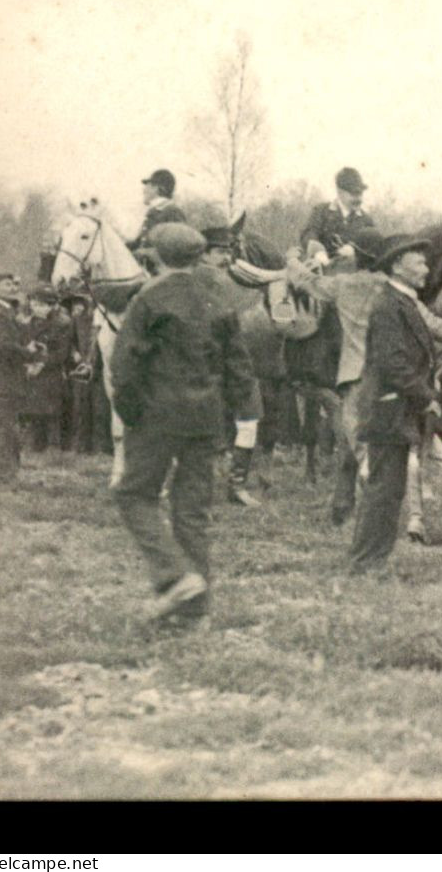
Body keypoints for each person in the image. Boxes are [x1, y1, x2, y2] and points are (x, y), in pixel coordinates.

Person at [107, 224, 259, 627]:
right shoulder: (217, 298)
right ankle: (195, 614)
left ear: (154, 255)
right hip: (205, 419)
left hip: (156, 416)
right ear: (197, 255)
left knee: (133, 495)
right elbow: (238, 366)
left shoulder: (148, 299)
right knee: (191, 511)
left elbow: (124, 365)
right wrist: (236, 414)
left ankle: (174, 576)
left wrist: (131, 412)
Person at [285, 227, 442, 531]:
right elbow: (433, 323)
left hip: (355, 378)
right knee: (397, 445)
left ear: (357, 256)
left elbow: (304, 282)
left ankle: (377, 521)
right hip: (391, 381)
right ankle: (408, 516)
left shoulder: (343, 285)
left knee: (361, 447)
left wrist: (293, 257)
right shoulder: (397, 292)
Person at [348, 235, 442, 571]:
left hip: (397, 409)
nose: (426, 269)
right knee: (383, 490)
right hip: (390, 409)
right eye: (419, 262)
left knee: (389, 489)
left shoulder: (403, 301)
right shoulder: (389, 306)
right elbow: (393, 363)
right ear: (397, 266)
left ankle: (372, 560)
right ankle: (365, 563)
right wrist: (426, 398)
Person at [198, 224, 265, 506]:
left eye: (228, 251)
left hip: (236, 365)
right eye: (219, 252)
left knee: (249, 418)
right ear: (204, 254)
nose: (225, 257)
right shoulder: (198, 279)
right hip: (206, 366)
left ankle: (236, 485)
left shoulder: (231, 281)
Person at [0, 273, 41, 482]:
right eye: (6, 284)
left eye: (13, 283)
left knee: (1, 424)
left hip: (4, 378)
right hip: (1, 379)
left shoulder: (5, 312)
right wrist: (28, 352)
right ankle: (5, 473)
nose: (13, 287)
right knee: (4, 426)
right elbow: (2, 347)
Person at [21, 283, 74, 451]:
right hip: (32, 371)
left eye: (42, 305)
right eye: (34, 304)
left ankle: (54, 446)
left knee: (52, 410)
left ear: (53, 305)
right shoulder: (28, 322)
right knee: (34, 409)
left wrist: (42, 363)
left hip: (51, 372)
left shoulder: (62, 323)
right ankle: (36, 445)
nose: (36, 308)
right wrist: (28, 363)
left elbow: (62, 353)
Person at [300, 167, 376, 267]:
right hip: (323, 269)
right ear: (340, 192)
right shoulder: (322, 211)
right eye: (354, 194)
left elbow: (374, 248)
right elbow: (309, 234)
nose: (358, 199)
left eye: (360, 194)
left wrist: (355, 251)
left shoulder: (367, 220)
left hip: (354, 274)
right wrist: (318, 252)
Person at [62, 291, 98, 453]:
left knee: (97, 406)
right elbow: (69, 342)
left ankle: (98, 445)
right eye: (74, 304)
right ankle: (79, 445)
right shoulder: (76, 321)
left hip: (97, 367)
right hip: (80, 367)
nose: (77, 307)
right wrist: (74, 353)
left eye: (81, 303)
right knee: (79, 405)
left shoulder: (97, 321)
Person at [126, 169, 189, 255]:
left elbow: (177, 248)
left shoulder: (172, 212)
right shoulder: (156, 211)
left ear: (156, 188)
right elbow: (139, 244)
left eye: (147, 186)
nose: (144, 190)